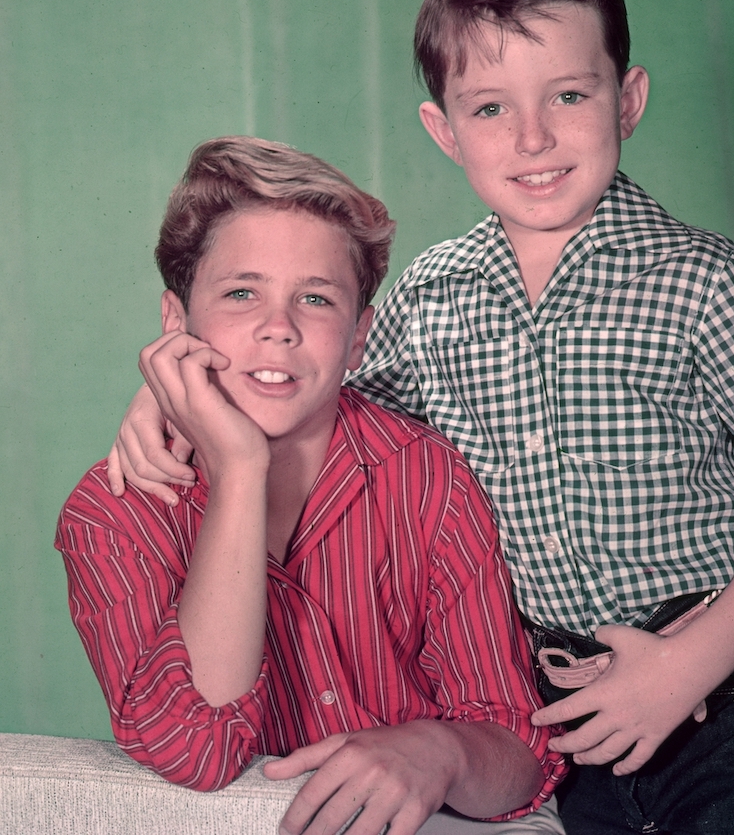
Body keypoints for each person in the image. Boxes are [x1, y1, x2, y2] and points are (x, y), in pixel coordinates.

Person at [106, 0, 734, 835]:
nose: (534, 137)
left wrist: (689, 663)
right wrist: (175, 392)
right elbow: (317, 405)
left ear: (626, 102)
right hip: (560, 711)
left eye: (570, 95)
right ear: (444, 129)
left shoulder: (708, 281)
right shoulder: (429, 296)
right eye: (489, 107)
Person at [55, 137, 567, 835]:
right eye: (242, 293)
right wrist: (239, 472)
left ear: (360, 337)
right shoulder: (111, 514)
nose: (278, 329)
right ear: (176, 322)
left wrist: (441, 749)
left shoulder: (426, 476)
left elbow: (520, 756)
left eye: (316, 299)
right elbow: (196, 753)